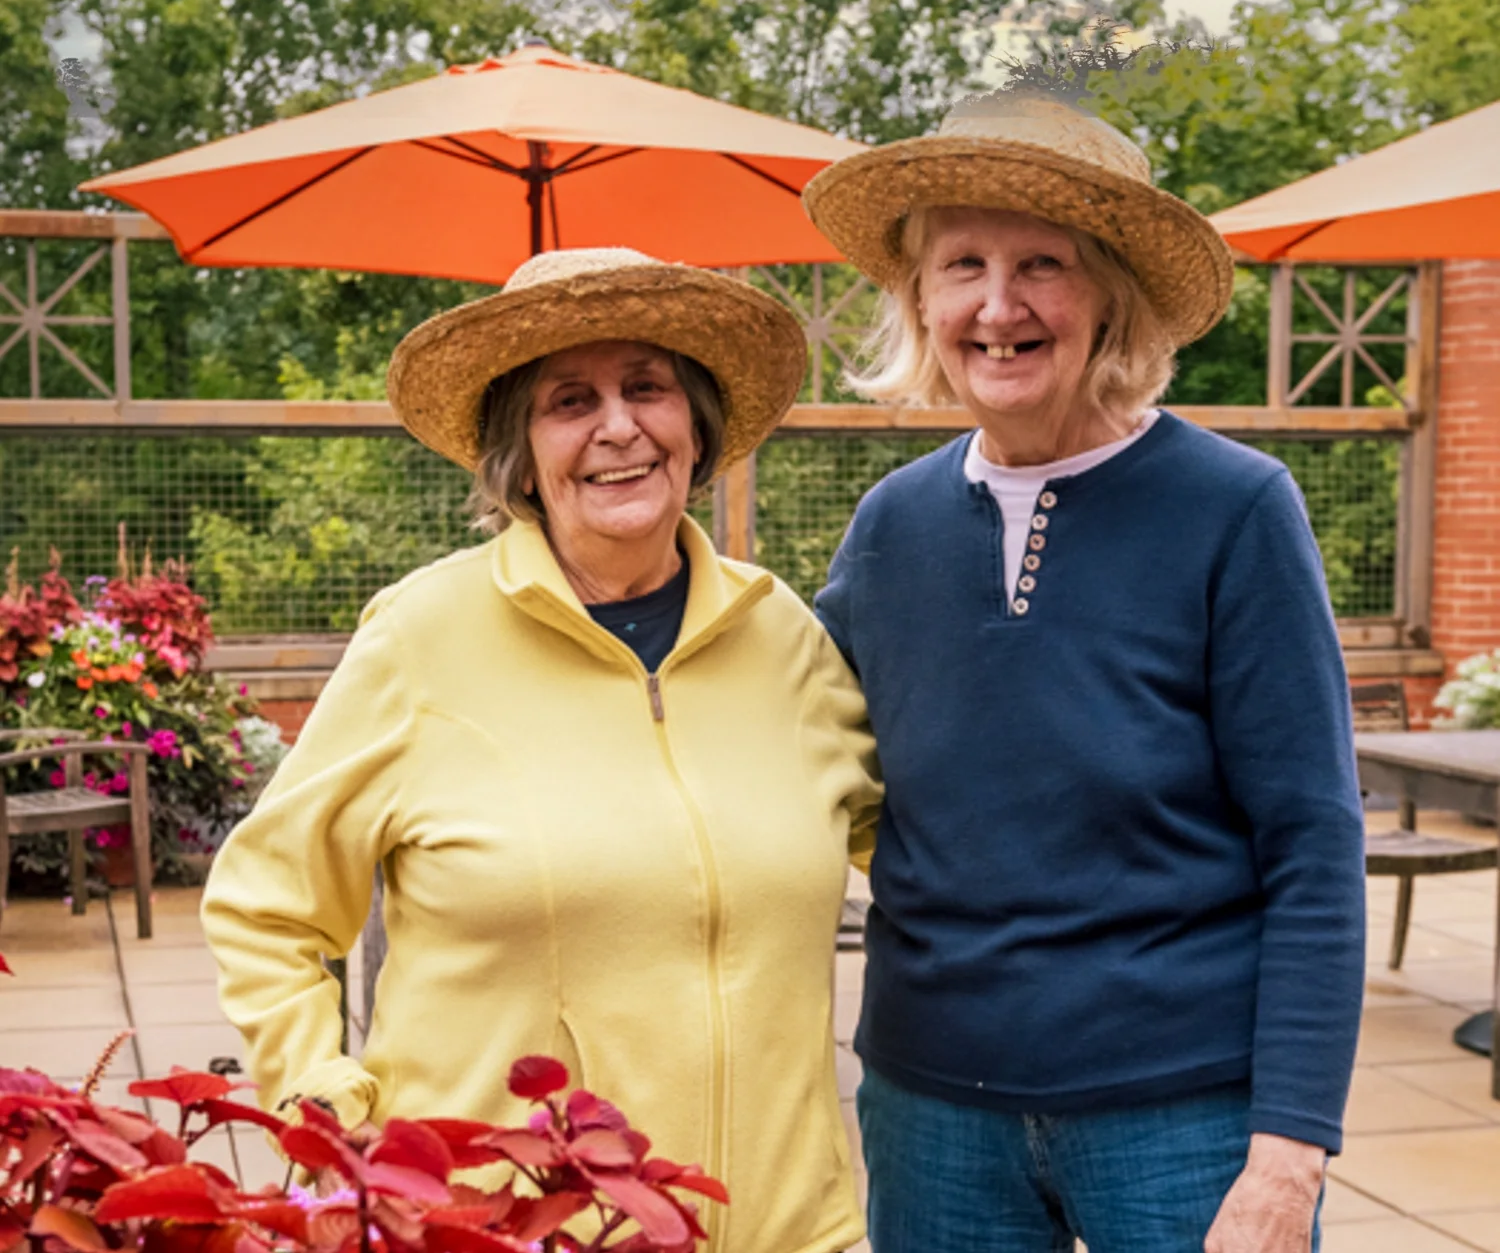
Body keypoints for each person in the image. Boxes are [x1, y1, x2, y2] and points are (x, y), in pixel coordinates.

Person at [202, 248, 880, 1253]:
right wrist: (330, 1109)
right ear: (520, 451)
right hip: (512, 1229)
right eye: (571, 399)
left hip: (789, 1231)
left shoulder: (784, 638)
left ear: (695, 424)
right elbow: (266, 908)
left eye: (647, 387)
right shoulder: (419, 639)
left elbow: (923, 848)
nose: (618, 425)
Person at [801, 92, 1366, 1253]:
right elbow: (772, 739)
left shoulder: (1236, 509)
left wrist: (1289, 1152)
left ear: (1112, 294)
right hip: (931, 1114)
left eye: (1042, 264)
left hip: (1185, 1115)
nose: (998, 306)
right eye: (963, 264)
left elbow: (1314, 847)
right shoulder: (890, 527)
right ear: (921, 299)